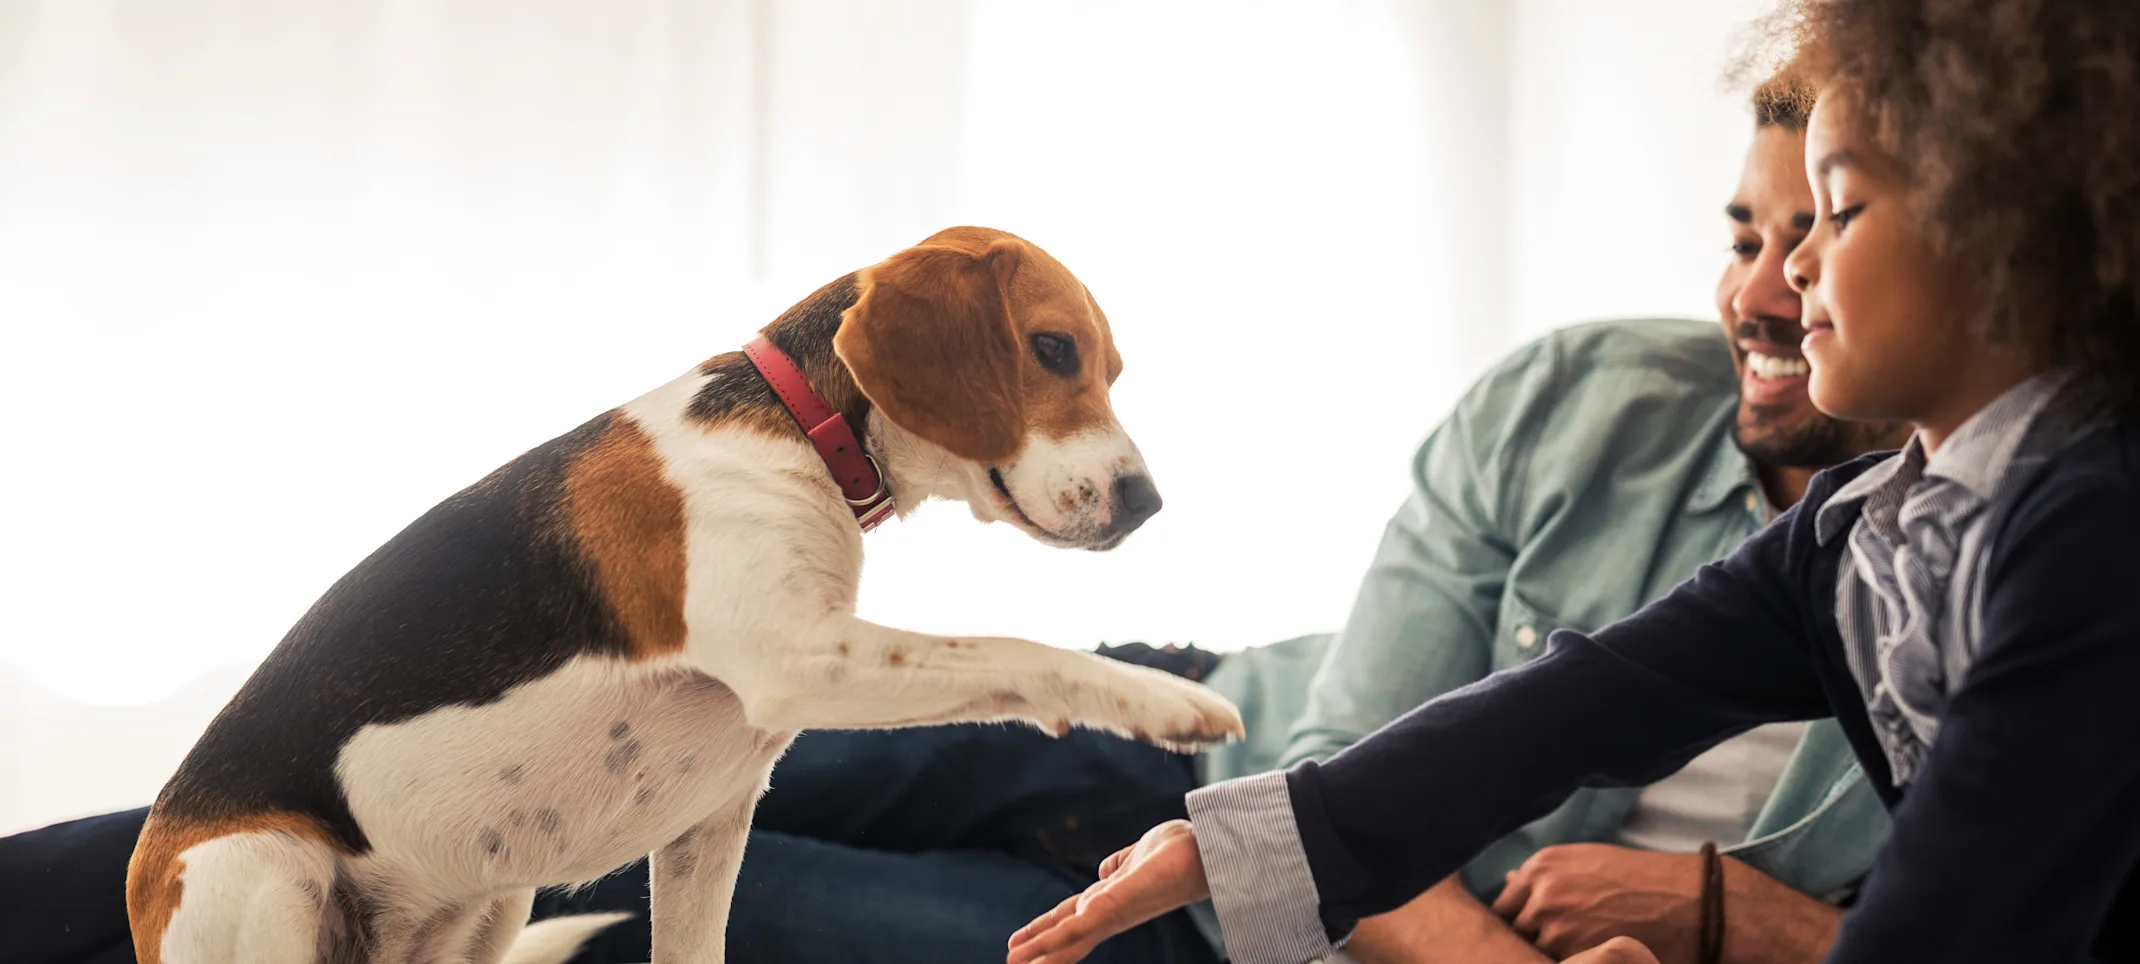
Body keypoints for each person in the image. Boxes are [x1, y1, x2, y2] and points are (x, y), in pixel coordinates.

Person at [0, 67, 1902, 964]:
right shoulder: (1586, 394)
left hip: (1214, 927)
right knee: (239, 824)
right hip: (1195, 724)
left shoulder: (1992, 582)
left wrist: (1730, 910)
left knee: (605, 919)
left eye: (1816, 232)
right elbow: (1334, 763)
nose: (1759, 290)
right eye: (1747, 231)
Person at [1004, 2, 2140, 962]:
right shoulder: (1865, 528)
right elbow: (1590, 699)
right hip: (1213, 715)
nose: (1789, 271)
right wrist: (1240, 842)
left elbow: (1961, 913)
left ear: (1998, 237)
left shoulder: (2091, 530)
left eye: (1836, 212)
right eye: (1759, 233)